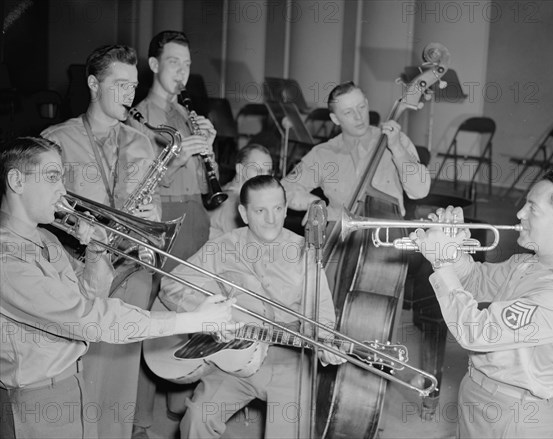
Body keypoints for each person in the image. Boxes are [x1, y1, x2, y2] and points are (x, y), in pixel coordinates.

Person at [0, 137, 235, 439]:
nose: (63, 190)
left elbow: (91, 296)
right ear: (17, 180)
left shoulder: (47, 240)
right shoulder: (7, 258)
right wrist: (192, 320)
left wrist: (97, 249)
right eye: (52, 177)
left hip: (75, 383)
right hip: (35, 400)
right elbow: (88, 317)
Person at [409, 168, 553, 439]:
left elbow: (476, 332)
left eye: (532, 208)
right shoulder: (530, 263)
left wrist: (440, 261)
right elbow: (474, 280)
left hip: (513, 415)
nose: (520, 214)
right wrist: (453, 251)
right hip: (477, 392)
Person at [160, 175, 345, 439]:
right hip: (233, 360)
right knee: (198, 418)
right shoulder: (222, 248)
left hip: (289, 363)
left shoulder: (304, 252)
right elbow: (171, 285)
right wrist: (208, 316)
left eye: (278, 209)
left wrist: (325, 344)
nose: (272, 219)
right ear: (244, 213)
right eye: (260, 211)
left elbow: (322, 315)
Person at [41, 44, 160, 439]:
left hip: (130, 273)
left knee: (121, 382)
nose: (130, 93)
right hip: (78, 271)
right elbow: (39, 213)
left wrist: (148, 224)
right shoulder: (55, 141)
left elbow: (152, 209)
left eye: (135, 85)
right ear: (94, 84)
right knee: (80, 376)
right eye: (120, 84)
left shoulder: (142, 143)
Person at [128, 29, 216, 271]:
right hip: (165, 215)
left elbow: (207, 185)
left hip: (197, 214)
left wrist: (209, 150)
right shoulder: (138, 118)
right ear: (155, 65)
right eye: (174, 62)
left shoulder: (189, 115)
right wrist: (176, 160)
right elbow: (136, 187)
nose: (182, 71)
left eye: (187, 64)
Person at [281, 81, 430, 221]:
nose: (358, 117)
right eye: (348, 112)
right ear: (335, 119)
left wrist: (397, 148)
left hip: (386, 237)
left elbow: (420, 191)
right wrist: (314, 204)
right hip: (341, 239)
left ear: (367, 103)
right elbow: (284, 190)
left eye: (361, 107)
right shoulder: (323, 153)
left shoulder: (396, 140)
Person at [208, 143, 273, 239]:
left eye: (269, 172)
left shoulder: (228, 195)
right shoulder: (232, 203)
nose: (266, 178)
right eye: (258, 170)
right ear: (240, 169)